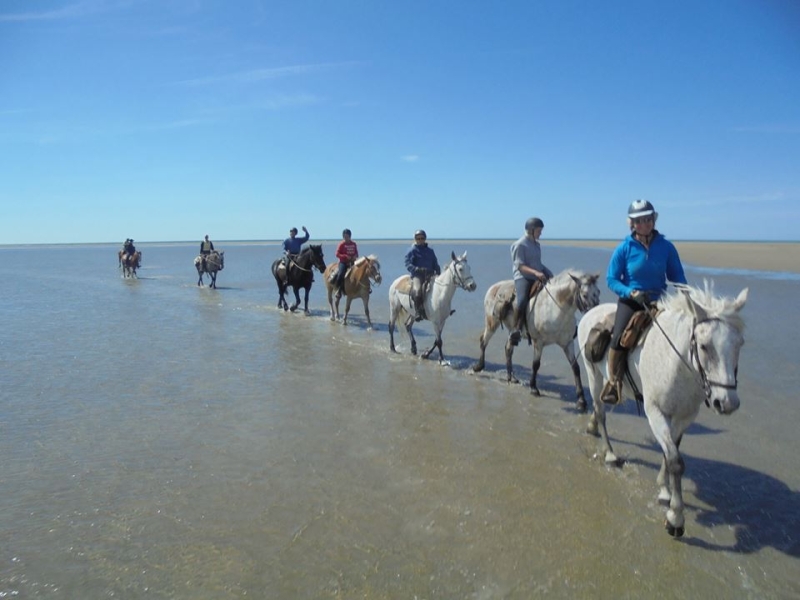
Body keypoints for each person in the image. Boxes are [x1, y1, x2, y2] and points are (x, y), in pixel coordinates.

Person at [601, 199, 688, 404]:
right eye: (639, 221)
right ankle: (614, 382)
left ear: (654, 220)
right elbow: (611, 279)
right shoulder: (624, 248)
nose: (645, 224)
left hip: (660, 300)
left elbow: (677, 277)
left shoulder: (666, 247)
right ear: (632, 224)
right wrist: (630, 292)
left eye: (648, 219)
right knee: (618, 338)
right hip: (631, 301)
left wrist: (687, 297)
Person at [509, 217, 554, 345]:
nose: (541, 233)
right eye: (539, 230)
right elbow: (520, 265)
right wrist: (535, 272)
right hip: (523, 276)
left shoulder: (536, 244)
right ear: (531, 230)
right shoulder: (519, 245)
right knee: (522, 299)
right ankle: (515, 330)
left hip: (537, 275)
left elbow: (538, 264)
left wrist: (549, 273)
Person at [404, 229, 440, 321]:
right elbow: (407, 263)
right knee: (418, 290)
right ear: (415, 239)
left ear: (425, 239)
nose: (420, 240)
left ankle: (443, 309)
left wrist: (438, 271)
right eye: (418, 238)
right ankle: (418, 312)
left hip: (430, 274)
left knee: (442, 288)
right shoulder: (412, 251)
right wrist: (416, 269)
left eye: (422, 238)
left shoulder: (430, 251)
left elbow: (435, 262)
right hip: (418, 275)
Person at [334, 228, 358, 299]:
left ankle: (365, 287)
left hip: (352, 262)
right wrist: (345, 256)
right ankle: (338, 289)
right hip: (343, 262)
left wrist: (355, 256)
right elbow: (337, 254)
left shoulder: (353, 244)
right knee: (341, 274)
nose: (345, 238)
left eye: (347, 236)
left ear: (350, 236)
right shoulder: (341, 244)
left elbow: (356, 253)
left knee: (362, 271)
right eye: (344, 236)